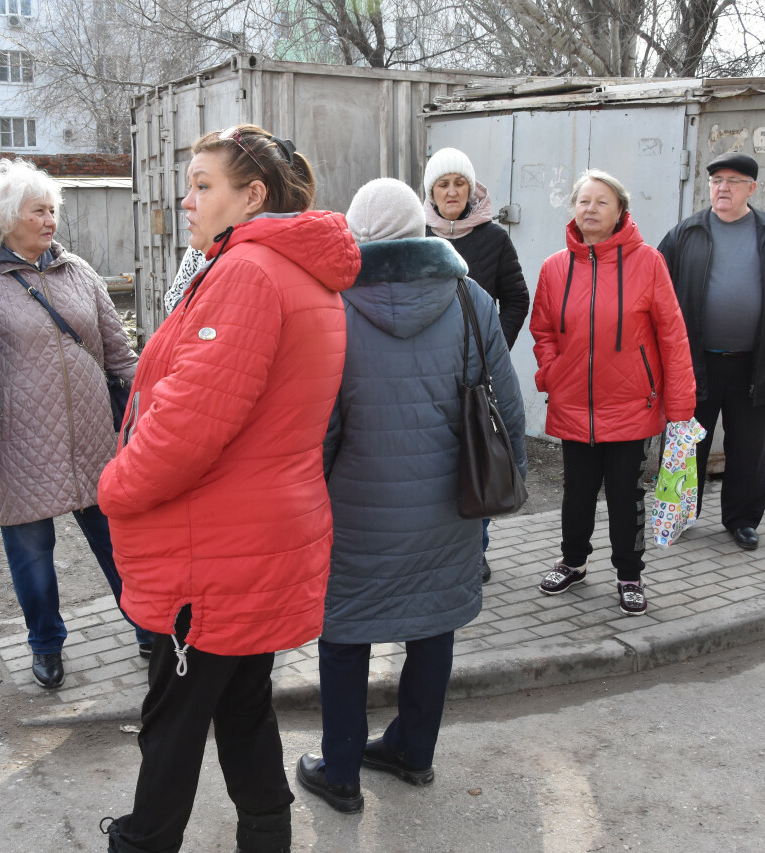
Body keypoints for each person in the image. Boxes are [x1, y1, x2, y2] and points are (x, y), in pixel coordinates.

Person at [96, 125, 361, 853]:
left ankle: (144, 840)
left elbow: (185, 425)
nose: (187, 199)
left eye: (203, 185)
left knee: (174, 720)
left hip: (212, 547)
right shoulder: (286, 268)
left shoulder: (249, 273)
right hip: (253, 536)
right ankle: (267, 836)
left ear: (254, 195)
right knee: (243, 705)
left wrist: (113, 487)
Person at [296, 179, 526, 814]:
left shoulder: (330, 304)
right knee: (434, 625)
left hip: (353, 510)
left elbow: (318, 424)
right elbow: (505, 404)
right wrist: (518, 480)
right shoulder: (469, 297)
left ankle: (340, 770)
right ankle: (412, 752)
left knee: (343, 632)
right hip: (449, 505)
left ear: (355, 233)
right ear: (420, 228)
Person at [0, 158, 150, 691]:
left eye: (53, 209)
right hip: (18, 449)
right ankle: (46, 645)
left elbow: (119, 355)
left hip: (94, 442)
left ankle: (147, 627)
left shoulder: (78, 271)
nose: (50, 219)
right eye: (39, 210)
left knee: (119, 541)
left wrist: (148, 408)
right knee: (32, 556)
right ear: (9, 217)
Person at [530, 169, 695, 616]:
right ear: (573, 210)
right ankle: (573, 562)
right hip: (574, 404)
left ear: (621, 210)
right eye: (584, 201)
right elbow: (543, 329)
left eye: (602, 202)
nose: (591, 209)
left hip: (630, 405)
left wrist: (680, 406)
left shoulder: (649, 263)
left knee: (626, 495)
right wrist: (550, 371)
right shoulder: (554, 267)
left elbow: (672, 337)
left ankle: (629, 574)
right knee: (576, 492)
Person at [658, 152, 765, 551]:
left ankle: (742, 520)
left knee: (747, 448)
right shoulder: (686, 234)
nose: (722, 187)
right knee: (686, 442)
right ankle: (678, 516)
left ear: (752, 188)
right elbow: (655, 289)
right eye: (716, 180)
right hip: (695, 362)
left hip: (753, 364)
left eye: (733, 180)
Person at [423, 147, 530, 583]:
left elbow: (517, 298)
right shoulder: (419, 236)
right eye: (443, 184)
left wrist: (493, 351)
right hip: (428, 373)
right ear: (430, 191)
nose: (452, 192)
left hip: (477, 379)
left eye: (459, 183)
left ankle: (476, 550)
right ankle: (434, 547)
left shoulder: (494, 238)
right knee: (435, 465)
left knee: (478, 460)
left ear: (472, 189)